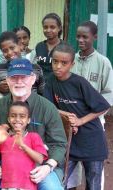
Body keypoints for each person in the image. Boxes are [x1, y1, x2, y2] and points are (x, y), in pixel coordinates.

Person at [0, 58, 66, 190]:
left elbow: (59, 144)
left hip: (39, 167)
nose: (19, 82)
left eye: (24, 77)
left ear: (33, 79)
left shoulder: (47, 107)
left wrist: (48, 166)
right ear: (8, 80)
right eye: (14, 77)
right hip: (5, 164)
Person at [44, 43, 110, 190]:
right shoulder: (50, 81)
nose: (58, 66)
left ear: (72, 64)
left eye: (64, 63)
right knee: (61, 182)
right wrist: (64, 114)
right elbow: (48, 107)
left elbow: (103, 106)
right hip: (69, 141)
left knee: (93, 184)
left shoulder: (79, 82)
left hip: (92, 141)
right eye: (55, 61)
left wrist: (80, 121)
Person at [0, 101, 48, 190]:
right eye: (13, 116)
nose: (17, 119)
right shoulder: (3, 137)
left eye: (22, 116)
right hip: (7, 186)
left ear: (28, 120)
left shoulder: (33, 136)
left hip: (27, 186)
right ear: (9, 119)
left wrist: (23, 146)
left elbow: (40, 159)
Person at [0, 31, 45, 95]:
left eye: (12, 48)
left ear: (19, 45)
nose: (9, 52)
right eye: (5, 51)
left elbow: (42, 92)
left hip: (32, 104)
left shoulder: (35, 68)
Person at [35, 13, 63, 80]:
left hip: (57, 86)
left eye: (52, 27)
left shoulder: (65, 48)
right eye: (45, 27)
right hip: (40, 85)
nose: (48, 30)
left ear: (59, 28)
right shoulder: (39, 46)